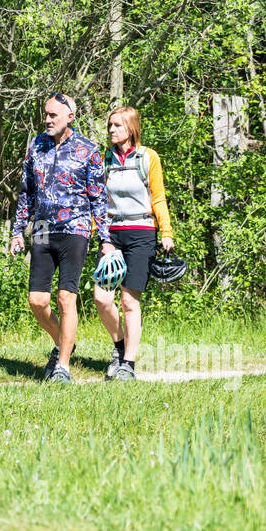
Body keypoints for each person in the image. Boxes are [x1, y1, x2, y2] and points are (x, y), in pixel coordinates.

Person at [8, 93, 112, 384]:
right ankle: (63, 342)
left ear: (70, 117)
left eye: (54, 115)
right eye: (46, 114)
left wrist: (105, 238)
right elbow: (26, 190)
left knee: (67, 298)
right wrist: (18, 231)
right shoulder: (36, 145)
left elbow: (99, 198)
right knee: (37, 301)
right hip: (41, 228)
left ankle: (63, 367)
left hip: (75, 229)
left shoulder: (88, 149)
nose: (48, 119)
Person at [92, 106, 175, 381]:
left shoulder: (148, 157)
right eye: (110, 125)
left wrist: (166, 232)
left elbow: (158, 196)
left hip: (142, 233)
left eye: (117, 125)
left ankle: (128, 363)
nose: (111, 130)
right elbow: (98, 200)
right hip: (113, 234)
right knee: (102, 298)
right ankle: (119, 346)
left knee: (129, 301)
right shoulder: (103, 159)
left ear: (131, 128)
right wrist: (100, 235)